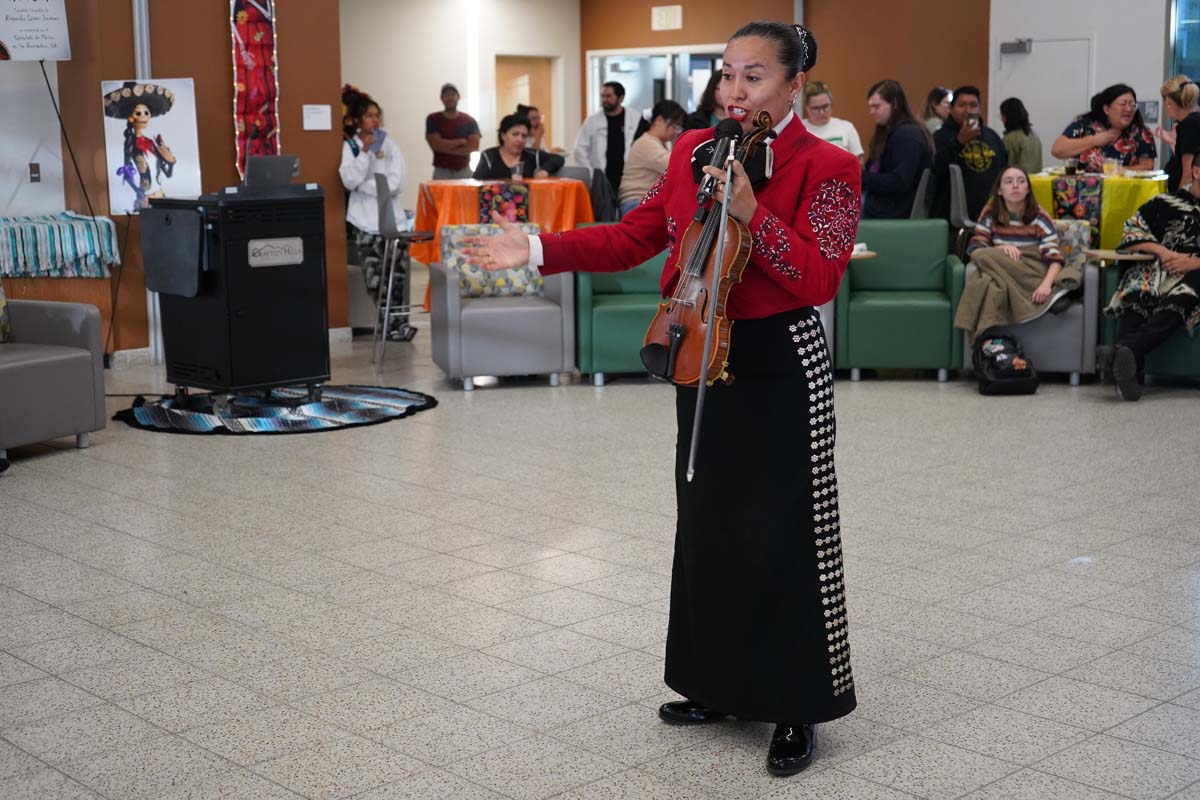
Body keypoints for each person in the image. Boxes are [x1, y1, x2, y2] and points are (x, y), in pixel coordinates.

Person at [467, 20, 859, 777]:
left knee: (785, 533)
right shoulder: (690, 152)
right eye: (727, 75)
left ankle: (794, 703)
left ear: (793, 88)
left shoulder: (832, 165)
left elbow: (817, 280)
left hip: (783, 363)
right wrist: (540, 249)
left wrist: (752, 212)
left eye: (753, 77)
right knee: (709, 526)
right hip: (702, 352)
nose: (735, 90)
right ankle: (717, 684)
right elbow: (634, 236)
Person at [1097, 150, 1200, 401]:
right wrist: (1162, 252)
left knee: (1191, 287)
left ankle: (1123, 351)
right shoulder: (1164, 202)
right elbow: (1132, 232)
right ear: (1197, 171)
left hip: (1193, 274)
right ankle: (1130, 371)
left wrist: (1191, 262)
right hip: (1155, 267)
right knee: (1139, 283)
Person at [954, 166, 1079, 341]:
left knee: (989, 263)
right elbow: (976, 249)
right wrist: (999, 249)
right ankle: (1052, 299)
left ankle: (1053, 294)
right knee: (986, 268)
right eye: (1009, 181)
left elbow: (1054, 257)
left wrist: (1046, 285)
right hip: (1000, 265)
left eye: (1021, 182)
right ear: (999, 190)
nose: (1015, 186)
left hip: (1030, 267)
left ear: (1027, 190)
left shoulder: (1039, 215)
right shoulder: (990, 212)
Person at [340, 97, 413, 341]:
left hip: (392, 220)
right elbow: (349, 180)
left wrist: (367, 186)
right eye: (369, 115)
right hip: (364, 221)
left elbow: (396, 182)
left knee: (397, 275)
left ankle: (400, 323)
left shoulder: (389, 145)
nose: (375, 120)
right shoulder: (350, 147)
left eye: (376, 115)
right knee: (374, 278)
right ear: (358, 120)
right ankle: (387, 324)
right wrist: (364, 154)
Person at [931, 85, 1008, 226]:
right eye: (961, 105)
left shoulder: (992, 137)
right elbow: (935, 166)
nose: (967, 110)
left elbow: (1004, 168)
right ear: (952, 109)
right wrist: (959, 141)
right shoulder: (941, 137)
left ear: (979, 109)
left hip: (989, 215)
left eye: (973, 105)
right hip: (951, 218)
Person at [102, 80, 179, 212]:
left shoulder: (153, 144)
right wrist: (139, 193)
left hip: (161, 198)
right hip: (145, 200)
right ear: (131, 117)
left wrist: (171, 161)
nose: (143, 117)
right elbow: (127, 174)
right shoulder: (130, 144)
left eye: (146, 113)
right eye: (138, 113)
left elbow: (168, 174)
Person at [861, 79, 932, 219]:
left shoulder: (908, 136)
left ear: (894, 104)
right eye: (871, 107)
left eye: (877, 107)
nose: (871, 112)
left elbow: (899, 182)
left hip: (893, 208)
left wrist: (861, 176)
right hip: (880, 202)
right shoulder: (887, 133)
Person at [1051, 83, 1156, 173]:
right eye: (1123, 104)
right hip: (1085, 190)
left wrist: (1120, 170)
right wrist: (1094, 140)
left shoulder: (1140, 132)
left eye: (1133, 105)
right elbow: (1057, 150)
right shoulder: (1085, 123)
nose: (1129, 109)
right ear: (1106, 109)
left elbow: (1148, 166)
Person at [617, 100, 685, 216]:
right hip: (636, 203)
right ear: (659, 120)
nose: (675, 132)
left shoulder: (653, 142)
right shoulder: (647, 143)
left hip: (637, 202)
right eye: (674, 126)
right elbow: (675, 165)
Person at [573, 81, 641, 194]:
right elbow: (579, 149)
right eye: (602, 96)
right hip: (601, 178)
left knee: (627, 210)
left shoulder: (635, 118)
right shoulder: (592, 120)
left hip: (628, 179)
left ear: (621, 98)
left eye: (608, 96)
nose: (604, 100)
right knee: (603, 210)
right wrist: (591, 173)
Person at [473, 114, 565, 180]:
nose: (520, 140)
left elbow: (558, 158)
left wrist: (544, 170)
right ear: (503, 135)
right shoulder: (488, 157)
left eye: (524, 136)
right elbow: (475, 183)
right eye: (515, 134)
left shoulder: (532, 155)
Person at [425, 83, 481, 179]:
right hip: (441, 171)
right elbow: (436, 146)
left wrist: (444, 147)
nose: (450, 98)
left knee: (466, 195)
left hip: (464, 170)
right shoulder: (433, 119)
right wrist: (460, 142)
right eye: (446, 95)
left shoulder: (469, 120)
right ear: (441, 98)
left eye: (452, 94)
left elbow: (474, 147)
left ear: (458, 97)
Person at [1155, 75, 1200, 192]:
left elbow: (1188, 174)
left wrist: (1178, 205)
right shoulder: (1191, 123)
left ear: (1168, 102)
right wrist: (1172, 142)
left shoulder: (1190, 125)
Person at [801, 81, 863, 160]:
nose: (821, 112)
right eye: (816, 108)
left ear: (831, 104)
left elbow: (858, 160)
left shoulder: (846, 127)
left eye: (825, 106)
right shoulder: (799, 129)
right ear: (807, 108)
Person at [1000, 97, 1043, 174]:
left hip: (1017, 183)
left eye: (1002, 115)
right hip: (1035, 182)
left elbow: (1006, 168)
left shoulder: (1009, 139)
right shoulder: (1034, 135)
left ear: (1008, 116)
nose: (1001, 119)